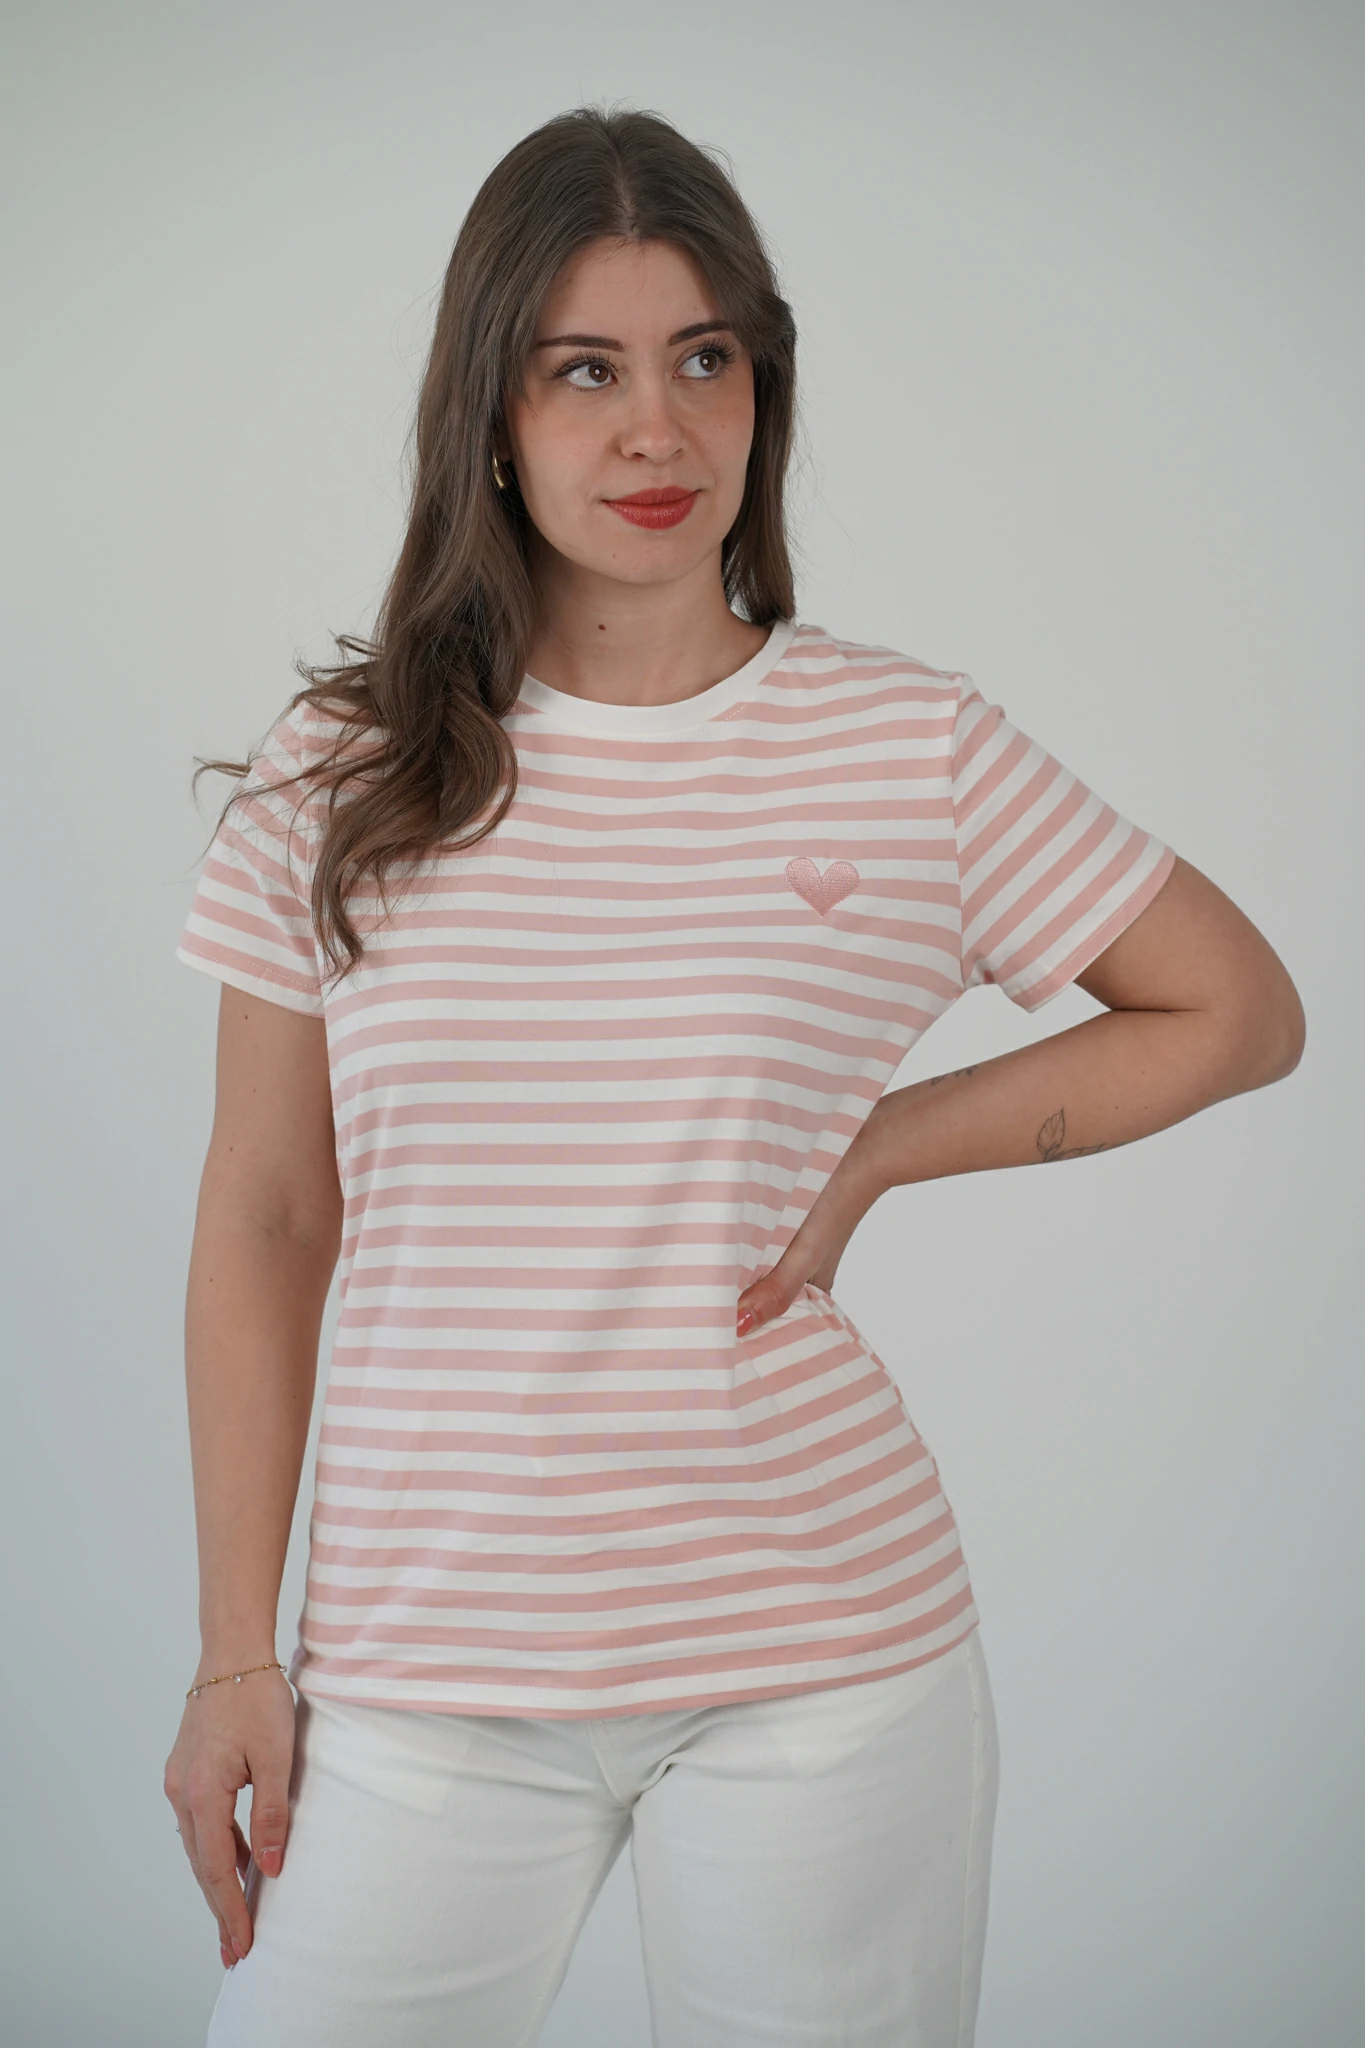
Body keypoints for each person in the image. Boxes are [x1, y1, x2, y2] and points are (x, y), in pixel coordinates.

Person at [163, 106, 1305, 2048]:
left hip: (822, 1663)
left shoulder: (905, 748)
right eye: (584, 371)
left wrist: (889, 1140)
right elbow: (269, 1215)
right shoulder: (340, 772)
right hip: (425, 1667)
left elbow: (1237, 1008)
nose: (656, 431)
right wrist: (229, 1656)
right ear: (490, 410)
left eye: (705, 360)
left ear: (763, 388)